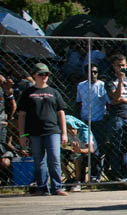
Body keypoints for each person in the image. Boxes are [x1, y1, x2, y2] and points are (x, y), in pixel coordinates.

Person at [17, 63, 69, 196]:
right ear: (34, 75)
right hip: (34, 132)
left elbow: (61, 112)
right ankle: (42, 187)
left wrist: (64, 133)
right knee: (39, 159)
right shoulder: (27, 93)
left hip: (52, 130)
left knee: (54, 158)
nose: (44, 77)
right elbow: (21, 115)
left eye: (46, 74)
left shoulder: (54, 92)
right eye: (40, 74)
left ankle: (57, 186)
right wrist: (22, 135)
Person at [105, 54, 127, 181]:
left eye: (123, 65)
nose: (122, 68)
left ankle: (125, 173)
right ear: (114, 66)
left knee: (126, 146)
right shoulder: (110, 82)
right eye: (119, 66)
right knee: (115, 146)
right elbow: (114, 97)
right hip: (116, 117)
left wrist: (123, 99)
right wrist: (120, 81)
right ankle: (115, 174)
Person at [62, 114, 99, 190]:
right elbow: (65, 145)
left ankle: (77, 181)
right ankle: (69, 179)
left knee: (77, 157)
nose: (71, 130)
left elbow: (91, 150)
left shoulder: (84, 132)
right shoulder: (66, 133)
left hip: (88, 154)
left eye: (73, 128)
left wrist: (79, 150)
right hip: (75, 151)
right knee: (59, 157)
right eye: (68, 128)